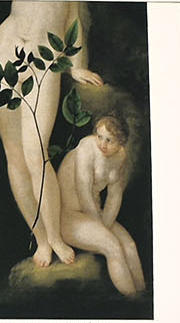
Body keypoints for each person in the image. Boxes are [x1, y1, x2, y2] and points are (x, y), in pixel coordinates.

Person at [0, 1, 105, 267]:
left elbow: (73, 18)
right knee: (15, 156)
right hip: (4, 49)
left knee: (37, 155)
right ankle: (41, 239)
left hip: (44, 59)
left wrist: (76, 65)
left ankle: (55, 237)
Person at [57, 115, 145, 296]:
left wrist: (105, 223)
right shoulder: (86, 148)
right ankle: (132, 299)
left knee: (129, 245)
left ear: (121, 143)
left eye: (109, 140)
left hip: (94, 215)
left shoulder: (120, 156)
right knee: (113, 247)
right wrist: (101, 228)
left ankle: (143, 296)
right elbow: (83, 191)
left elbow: (114, 196)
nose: (102, 144)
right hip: (68, 217)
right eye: (100, 137)